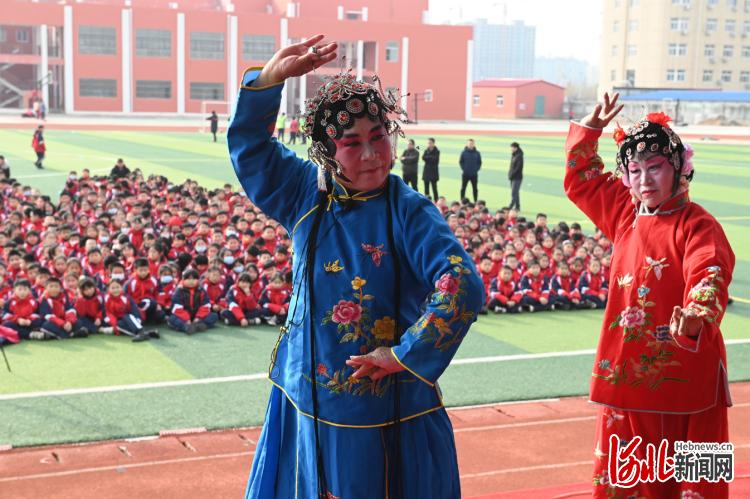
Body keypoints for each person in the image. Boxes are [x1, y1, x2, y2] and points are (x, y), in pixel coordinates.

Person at [227, 34, 484, 499]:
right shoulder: (303, 193)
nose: (370, 154)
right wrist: (269, 80)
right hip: (303, 395)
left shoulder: (410, 211)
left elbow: (461, 284)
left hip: (380, 408)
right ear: (327, 150)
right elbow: (250, 148)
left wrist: (403, 353)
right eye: (351, 143)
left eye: (378, 137)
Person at [565, 92, 735, 498]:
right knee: (625, 481)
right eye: (634, 171)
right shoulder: (625, 212)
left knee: (697, 483)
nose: (644, 180)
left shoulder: (698, 225)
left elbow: (710, 271)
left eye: (655, 167)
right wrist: (590, 131)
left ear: (679, 168)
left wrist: (696, 313)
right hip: (626, 376)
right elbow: (581, 179)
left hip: (687, 374)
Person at [459, 138, 481, 203]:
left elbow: (479, 162)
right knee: (463, 188)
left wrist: (476, 169)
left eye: (472, 144)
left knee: (475, 189)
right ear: (467, 144)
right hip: (465, 174)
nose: (471, 145)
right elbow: (461, 162)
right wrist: (464, 169)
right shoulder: (463, 152)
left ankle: (475, 201)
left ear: (474, 144)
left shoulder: (477, 153)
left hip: (474, 174)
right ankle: (462, 201)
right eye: (469, 144)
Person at [508, 141, 523, 211]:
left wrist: (512, 174)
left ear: (516, 148)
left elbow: (518, 167)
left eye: (512, 148)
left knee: (514, 192)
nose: (511, 149)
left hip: (517, 177)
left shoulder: (519, 156)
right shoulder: (514, 155)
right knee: (516, 192)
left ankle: (510, 206)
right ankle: (517, 206)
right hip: (513, 176)